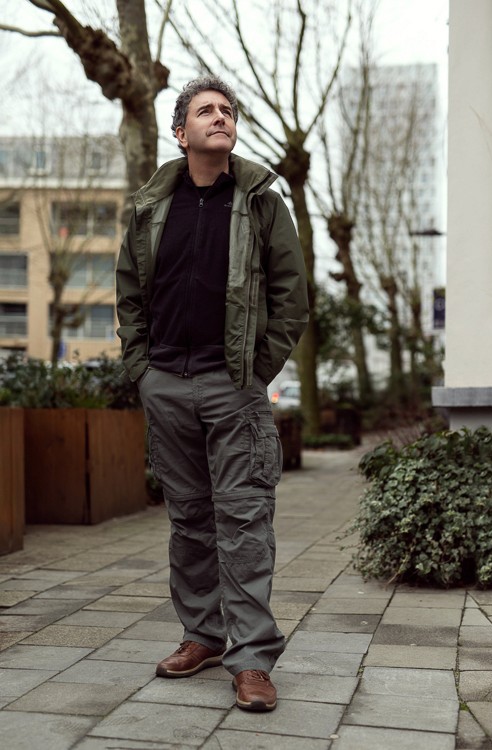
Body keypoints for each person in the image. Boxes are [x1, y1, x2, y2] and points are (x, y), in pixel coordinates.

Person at [116, 75, 308, 712]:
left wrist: (253, 372)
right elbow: (130, 294)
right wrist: (143, 369)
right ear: (181, 132)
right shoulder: (150, 208)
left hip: (234, 390)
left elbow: (291, 298)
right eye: (206, 111)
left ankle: (251, 659)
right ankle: (202, 634)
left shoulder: (262, 205)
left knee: (245, 521)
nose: (221, 117)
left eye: (227, 110)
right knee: (190, 520)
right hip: (166, 385)